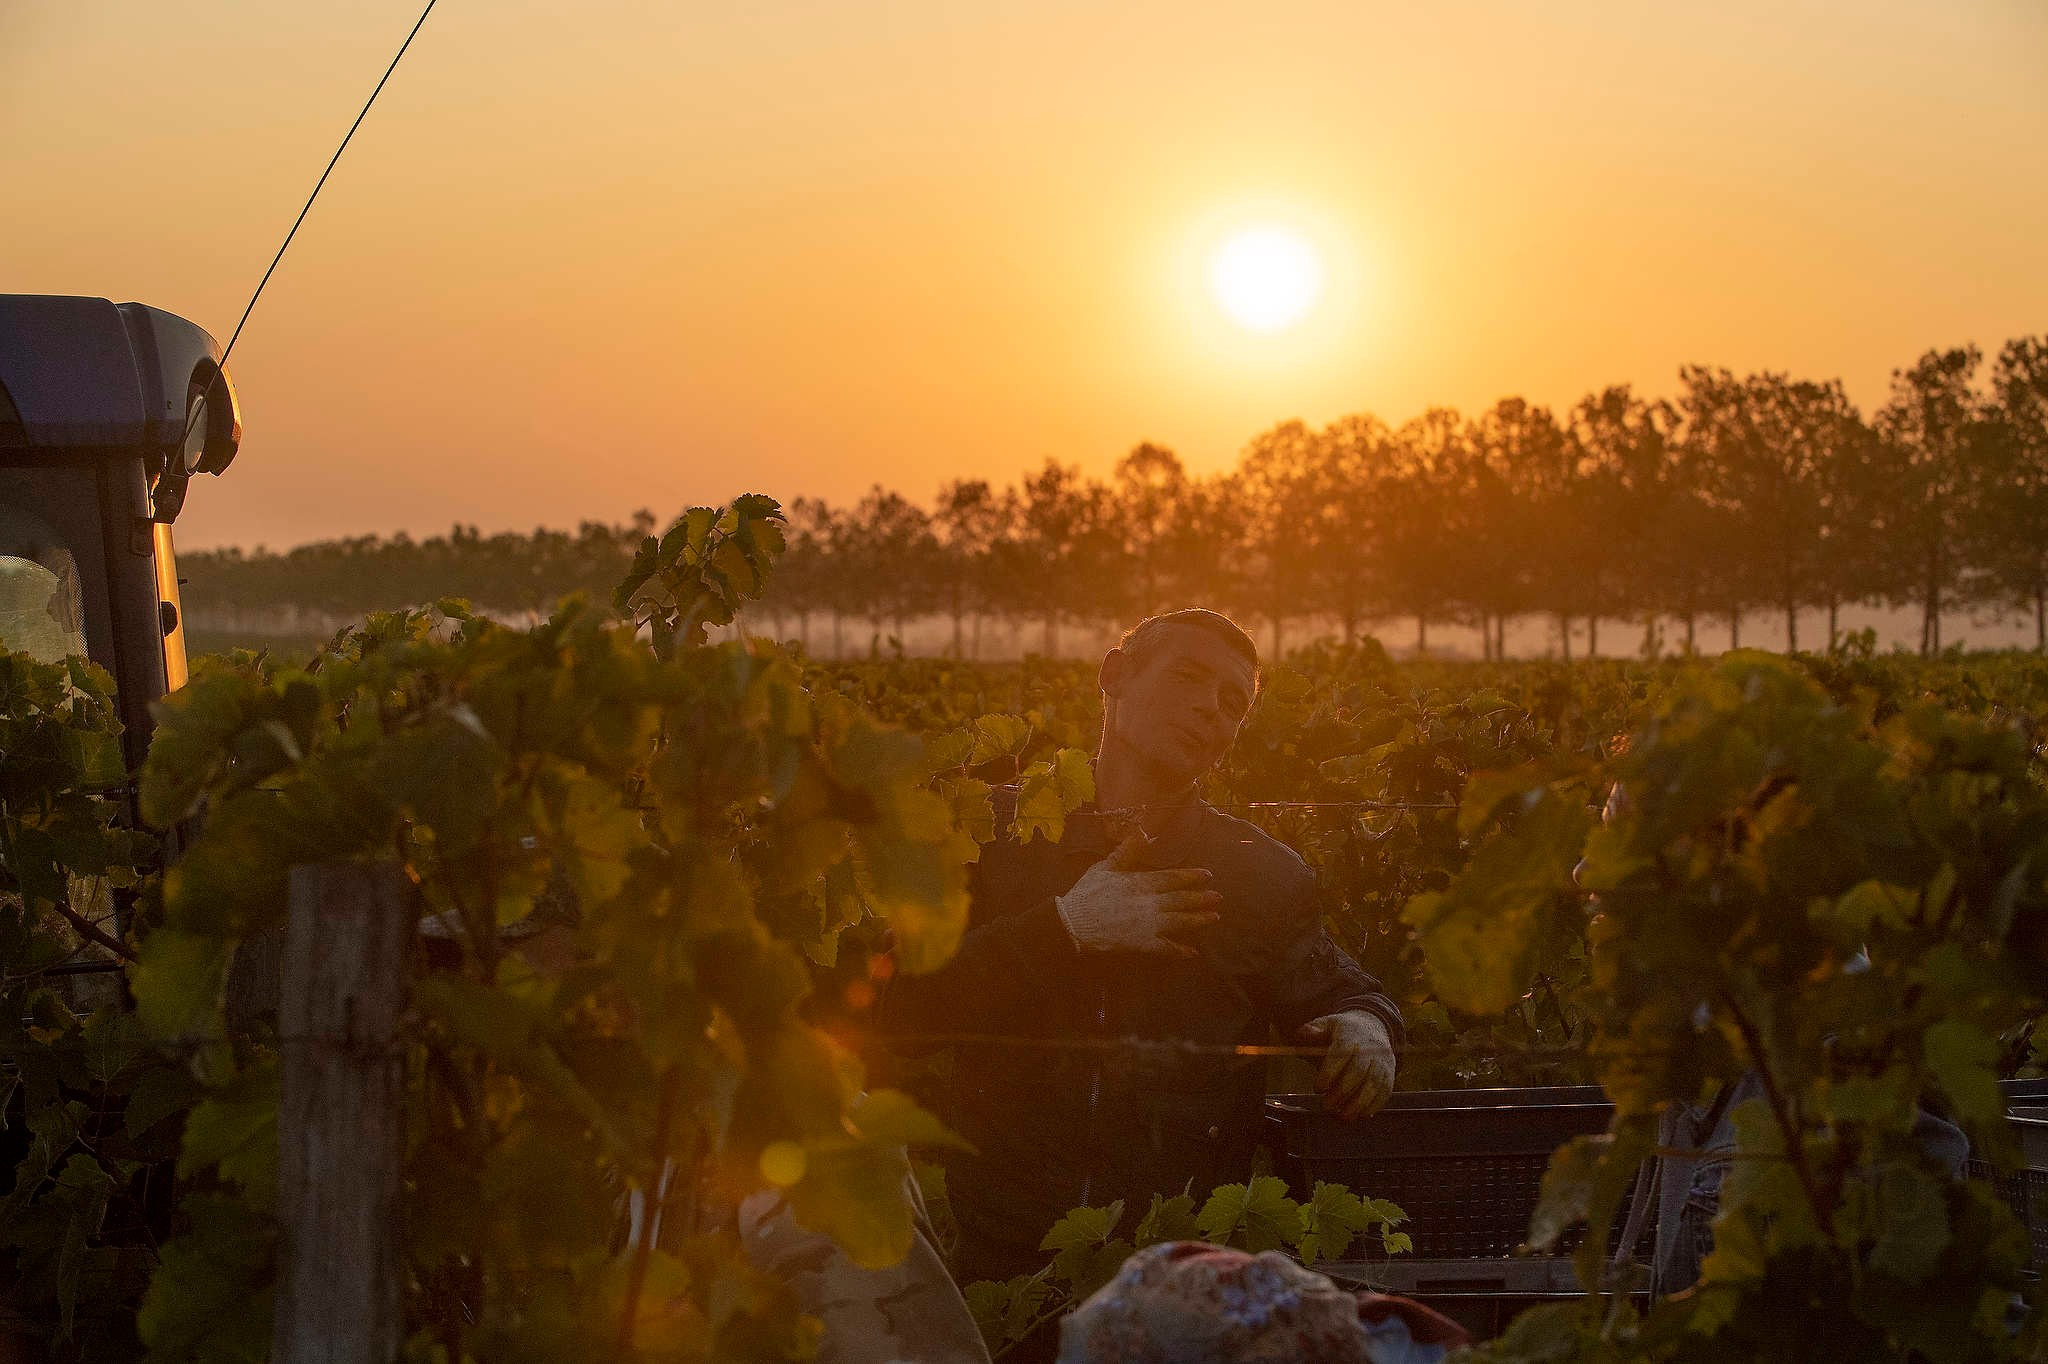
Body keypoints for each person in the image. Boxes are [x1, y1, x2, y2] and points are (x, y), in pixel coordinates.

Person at [877, 608, 1404, 1358]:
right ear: (1114, 676)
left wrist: (1368, 1027)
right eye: (1189, 679)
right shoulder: (987, 836)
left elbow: (1340, 989)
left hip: (1182, 1286)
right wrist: (1064, 928)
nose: (1209, 711)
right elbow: (895, 1013)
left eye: (1232, 704)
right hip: (1000, 1271)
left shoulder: (1256, 872)